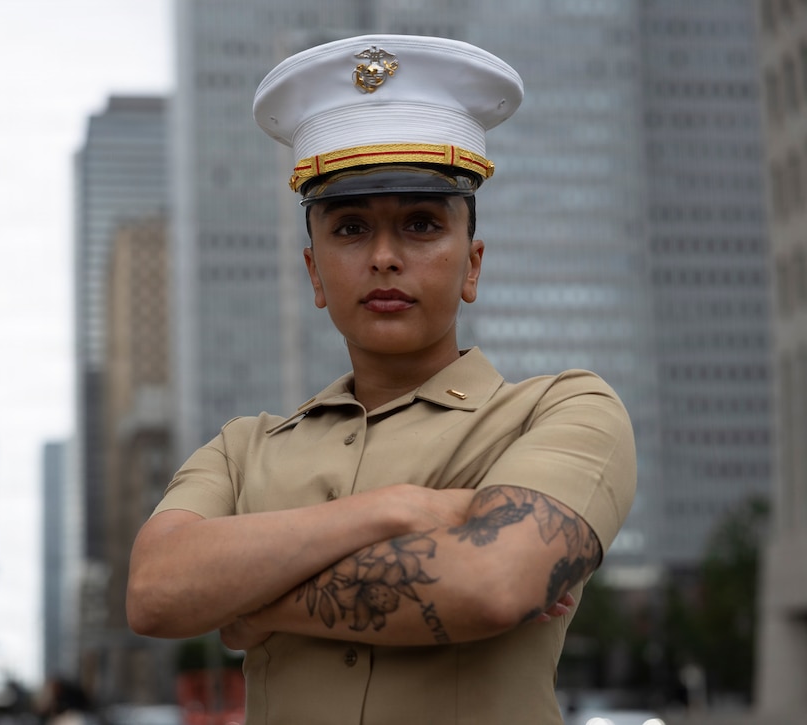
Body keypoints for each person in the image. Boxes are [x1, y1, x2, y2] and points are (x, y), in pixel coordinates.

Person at [126, 34, 637, 724]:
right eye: (351, 228)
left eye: (422, 224)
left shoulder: (562, 411)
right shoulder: (243, 448)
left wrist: (249, 602)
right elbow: (156, 590)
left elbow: (490, 583)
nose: (386, 257)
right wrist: (393, 509)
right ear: (313, 272)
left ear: (473, 263)